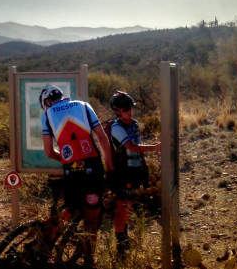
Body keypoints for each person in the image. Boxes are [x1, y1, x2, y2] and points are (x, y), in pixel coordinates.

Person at [40, 84, 113, 264]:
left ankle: (44, 248)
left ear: (47, 101)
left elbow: (49, 152)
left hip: (71, 171)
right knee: (91, 219)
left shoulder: (47, 115)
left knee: (68, 209)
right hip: (92, 169)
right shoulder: (84, 105)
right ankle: (89, 261)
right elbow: (102, 138)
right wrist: (109, 166)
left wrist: (68, 160)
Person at [107, 91, 161, 257]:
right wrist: (154, 148)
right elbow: (132, 146)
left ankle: (125, 238)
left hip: (135, 170)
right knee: (122, 206)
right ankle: (121, 242)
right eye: (125, 109)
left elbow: (137, 147)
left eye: (130, 108)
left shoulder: (134, 124)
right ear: (117, 111)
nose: (129, 112)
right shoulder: (117, 127)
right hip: (123, 173)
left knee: (128, 205)